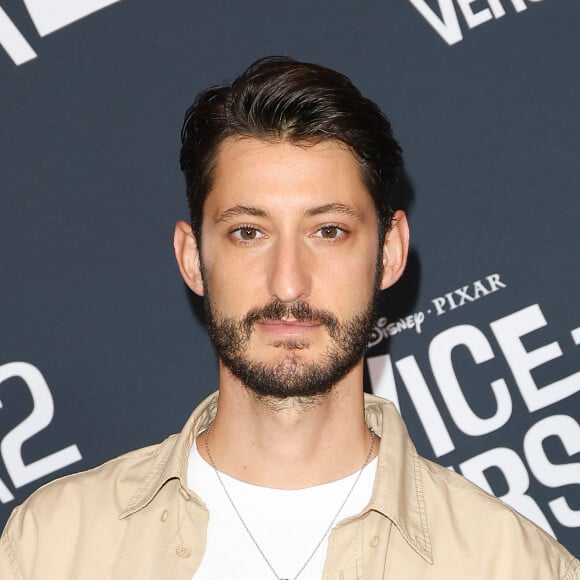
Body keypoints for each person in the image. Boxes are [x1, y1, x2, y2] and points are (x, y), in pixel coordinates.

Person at [0, 57, 578, 580]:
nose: (288, 282)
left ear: (391, 251)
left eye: (329, 231)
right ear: (192, 259)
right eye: (248, 232)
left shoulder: (510, 565)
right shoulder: (54, 546)